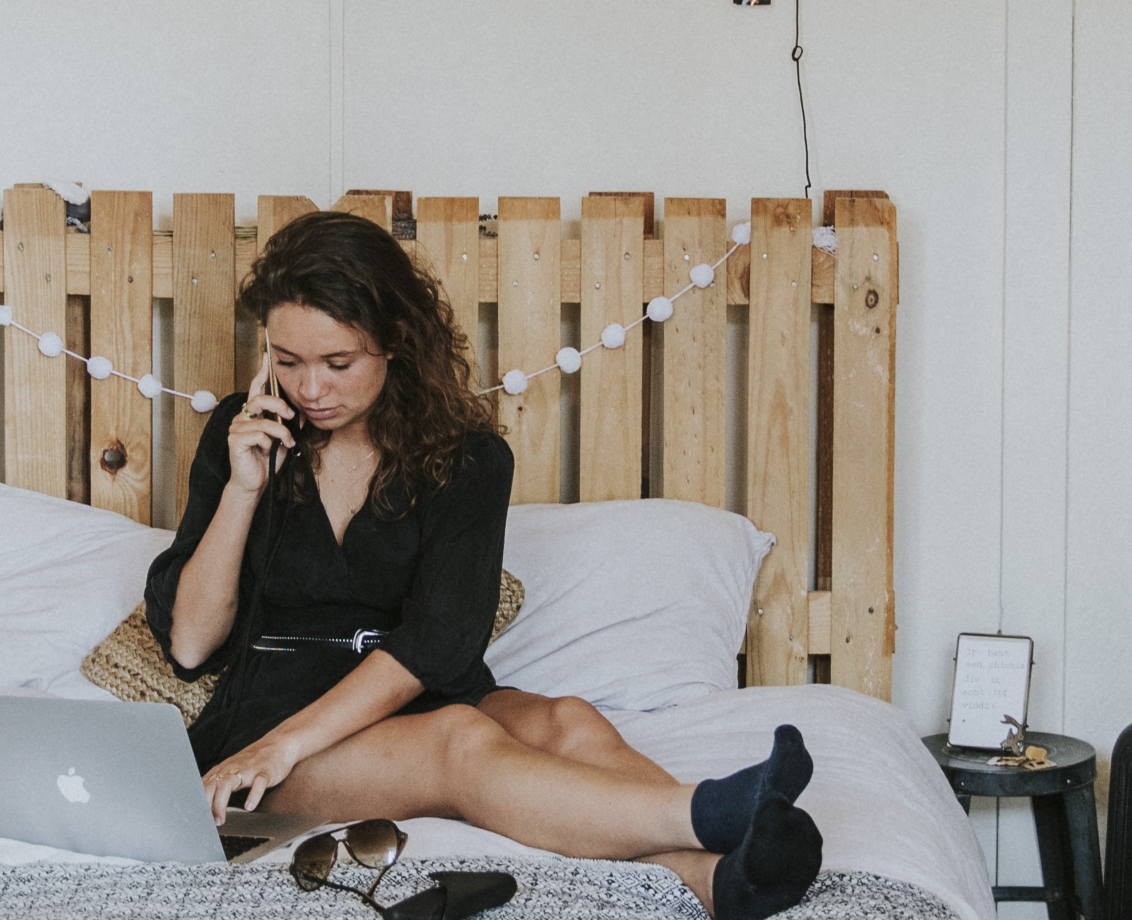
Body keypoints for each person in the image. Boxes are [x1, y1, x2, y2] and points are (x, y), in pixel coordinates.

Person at [146, 211, 822, 920]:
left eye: (338, 363)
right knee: (461, 741)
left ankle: (715, 877)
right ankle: (704, 810)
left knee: (569, 720)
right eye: (288, 362)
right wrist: (243, 489)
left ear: (395, 343)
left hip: (421, 694)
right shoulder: (241, 433)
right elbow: (191, 643)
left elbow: (438, 641)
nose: (311, 389)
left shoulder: (466, 457)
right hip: (278, 722)